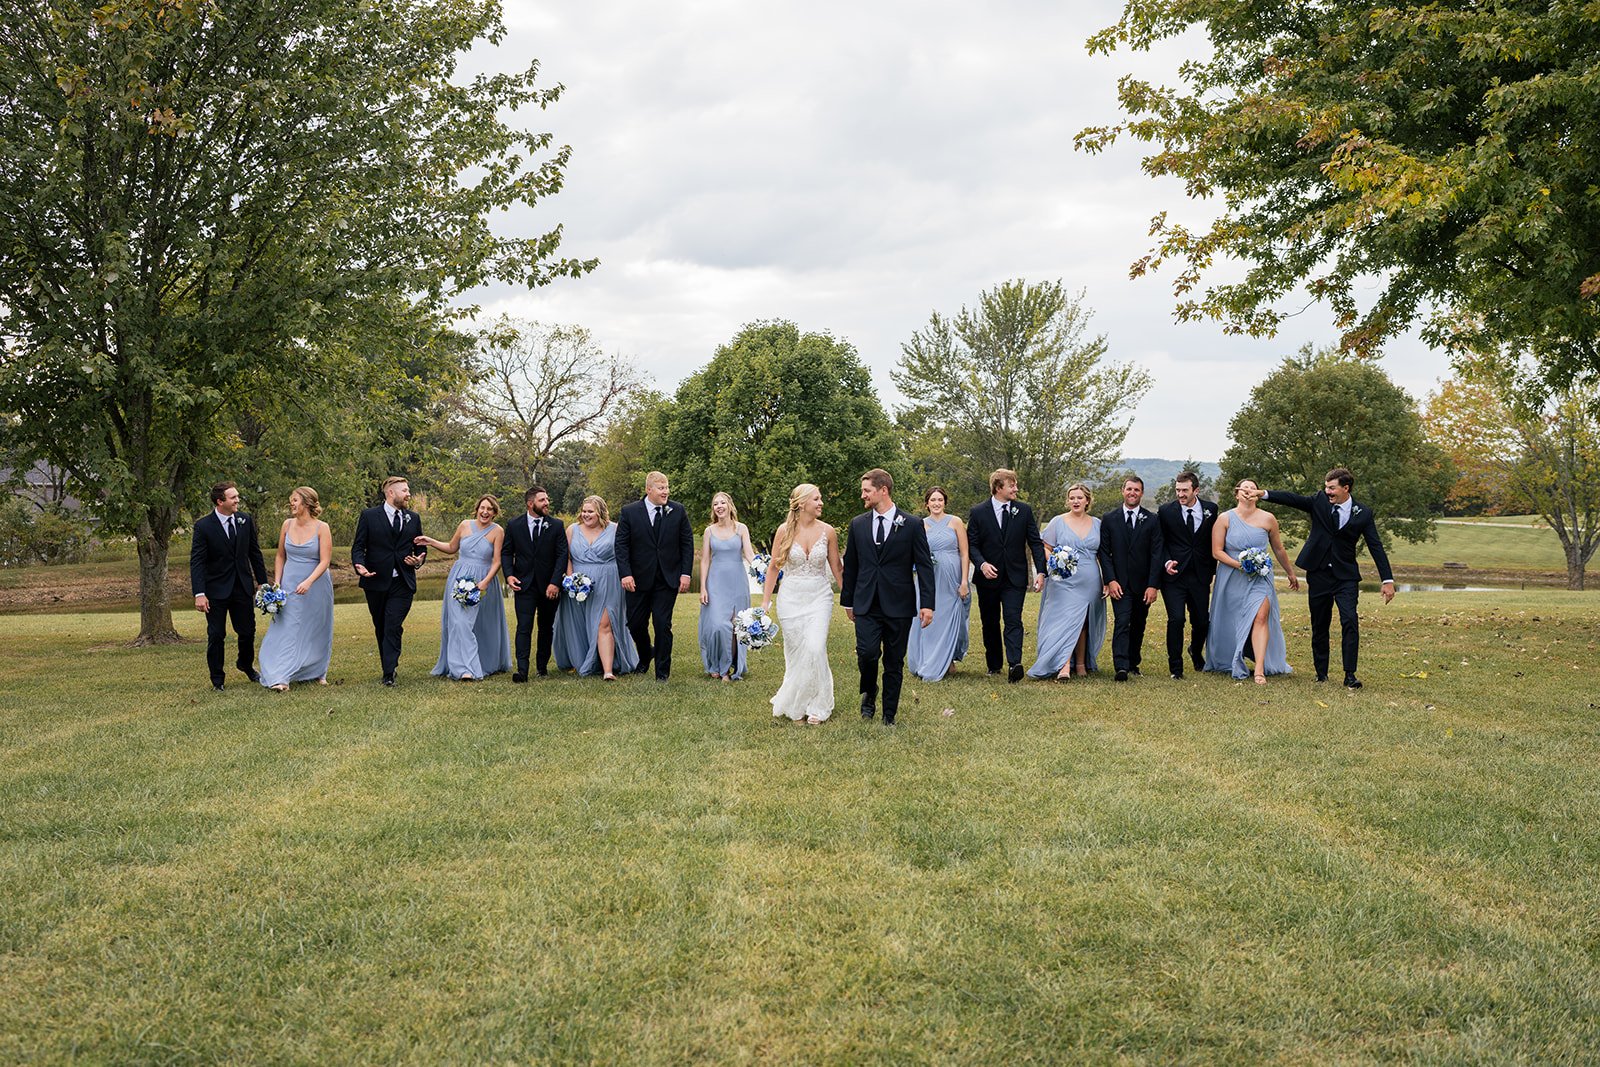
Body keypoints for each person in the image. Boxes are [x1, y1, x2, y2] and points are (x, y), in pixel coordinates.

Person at [1258, 467, 1395, 688]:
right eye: (1326, 487)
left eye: (1332, 488)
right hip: (1319, 573)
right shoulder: (1319, 501)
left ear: (1346, 488)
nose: (1327, 491)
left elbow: (1376, 546)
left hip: (1346, 576)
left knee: (1349, 620)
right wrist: (1264, 494)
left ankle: (1350, 675)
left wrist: (1387, 580)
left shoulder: (1363, 512)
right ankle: (1321, 673)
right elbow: (1293, 499)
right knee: (1319, 624)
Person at [841, 468, 934, 727]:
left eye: (867, 490)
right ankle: (869, 692)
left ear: (883, 490)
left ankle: (889, 714)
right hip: (866, 602)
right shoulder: (858, 524)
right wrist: (848, 601)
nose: (863, 495)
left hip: (899, 604)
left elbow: (924, 566)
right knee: (867, 654)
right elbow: (852, 565)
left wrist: (927, 604)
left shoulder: (912, 524)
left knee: (894, 661)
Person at [763, 483, 844, 724]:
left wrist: (850, 600)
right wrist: (766, 602)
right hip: (790, 599)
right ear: (801, 504)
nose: (821, 503)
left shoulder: (828, 531)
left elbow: (837, 568)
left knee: (815, 647)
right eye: (816, 499)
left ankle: (819, 705)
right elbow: (773, 567)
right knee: (796, 653)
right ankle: (797, 704)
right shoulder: (784, 530)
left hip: (819, 596)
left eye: (820, 498)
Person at [1206, 479, 1299, 683]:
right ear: (1236, 493)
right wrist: (1240, 565)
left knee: (1261, 616)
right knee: (1233, 619)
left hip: (1260, 577)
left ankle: (1259, 670)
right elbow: (1217, 551)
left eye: (1252, 488)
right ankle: (1233, 657)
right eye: (1244, 487)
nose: (1248, 490)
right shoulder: (1224, 518)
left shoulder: (1268, 519)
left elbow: (1278, 548)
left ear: (1258, 494)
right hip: (1232, 576)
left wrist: (1290, 572)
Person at [417, 494, 512, 681]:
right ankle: (464, 669)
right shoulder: (464, 525)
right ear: (477, 509)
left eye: (489, 509)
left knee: (482, 624)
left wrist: (485, 581)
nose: (485, 512)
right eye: (482, 508)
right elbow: (452, 547)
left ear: (494, 513)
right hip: (459, 579)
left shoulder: (497, 531)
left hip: (483, 581)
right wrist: (431, 541)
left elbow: (497, 561)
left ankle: (485, 662)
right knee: (459, 622)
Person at [966, 468, 1046, 683]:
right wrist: (982, 564)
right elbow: (972, 544)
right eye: (1012, 485)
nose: (1016, 489)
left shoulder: (1024, 510)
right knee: (990, 621)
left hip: (1015, 577)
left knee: (1013, 619)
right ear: (998, 487)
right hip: (987, 578)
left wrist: (1041, 571)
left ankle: (1014, 664)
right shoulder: (978, 512)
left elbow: (1035, 543)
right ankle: (994, 665)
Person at [615, 471, 694, 681]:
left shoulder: (678, 510)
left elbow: (687, 543)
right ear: (648, 489)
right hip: (637, 579)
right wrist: (626, 574)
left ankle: (662, 673)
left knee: (662, 624)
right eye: (661, 488)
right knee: (635, 623)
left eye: (667, 487)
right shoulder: (629, 512)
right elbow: (621, 546)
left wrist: (685, 573)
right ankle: (645, 653)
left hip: (667, 579)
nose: (666, 491)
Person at [190, 481, 268, 691]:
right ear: (220, 501)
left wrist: (262, 583)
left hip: (242, 586)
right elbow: (197, 562)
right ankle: (218, 679)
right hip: (215, 590)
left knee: (247, 631)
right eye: (233, 497)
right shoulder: (203, 526)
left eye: (237, 496)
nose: (237, 500)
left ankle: (245, 664)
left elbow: (254, 553)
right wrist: (199, 593)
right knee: (216, 634)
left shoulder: (245, 520)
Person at [350, 476, 427, 687]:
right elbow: (358, 547)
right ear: (391, 493)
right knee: (381, 626)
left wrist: (419, 560)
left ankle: (388, 672)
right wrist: (359, 565)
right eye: (405, 490)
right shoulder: (368, 516)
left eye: (408, 490)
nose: (409, 494)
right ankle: (389, 665)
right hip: (375, 580)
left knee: (393, 624)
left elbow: (420, 547)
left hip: (403, 582)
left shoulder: (413, 518)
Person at [553, 495, 639, 679]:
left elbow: (625, 554)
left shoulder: (615, 529)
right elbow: (566, 557)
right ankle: (590, 660)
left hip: (608, 581)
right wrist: (571, 580)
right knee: (582, 623)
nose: (586, 514)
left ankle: (608, 670)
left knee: (604, 623)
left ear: (600, 512)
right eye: (584, 511)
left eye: (590, 511)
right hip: (578, 583)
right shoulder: (572, 530)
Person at [1028, 484, 1108, 680]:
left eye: (1080, 498)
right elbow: (1045, 547)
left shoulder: (1097, 523)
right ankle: (1063, 665)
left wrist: (1107, 580)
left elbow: (1103, 555)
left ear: (1087, 500)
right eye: (1072, 498)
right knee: (1065, 621)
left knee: (1083, 622)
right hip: (1063, 580)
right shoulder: (1058, 522)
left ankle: (1080, 664)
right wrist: (1055, 560)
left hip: (1089, 580)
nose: (1075, 501)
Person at [258, 486, 334, 690]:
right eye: (291, 500)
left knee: (317, 627)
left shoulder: (322, 528)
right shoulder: (287, 524)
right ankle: (281, 675)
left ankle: (317, 671)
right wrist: (277, 582)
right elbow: (280, 556)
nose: (291, 503)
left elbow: (325, 561)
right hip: (289, 583)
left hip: (316, 584)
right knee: (286, 627)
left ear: (307, 503)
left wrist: (309, 581)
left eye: (295, 500)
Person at [1097, 475, 1164, 682]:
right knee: (1122, 621)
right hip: (1119, 583)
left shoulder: (1152, 519)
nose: (1132, 493)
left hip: (1143, 584)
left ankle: (1133, 663)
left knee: (1138, 623)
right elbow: (1104, 552)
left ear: (1141, 493)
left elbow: (1157, 554)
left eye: (1136, 490)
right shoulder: (1109, 518)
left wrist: (1153, 585)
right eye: (1129, 489)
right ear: (1122, 491)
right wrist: (1110, 580)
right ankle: (1121, 666)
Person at [502, 485, 568, 681]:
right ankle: (522, 671)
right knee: (524, 626)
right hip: (524, 585)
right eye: (542, 500)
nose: (547, 503)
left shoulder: (556, 525)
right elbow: (507, 552)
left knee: (546, 627)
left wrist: (555, 582)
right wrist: (509, 575)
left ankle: (542, 668)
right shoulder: (514, 525)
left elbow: (562, 555)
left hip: (549, 586)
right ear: (530, 504)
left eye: (547, 499)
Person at [1157, 472, 1219, 679]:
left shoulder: (1211, 509)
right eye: (1178, 490)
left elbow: (1213, 540)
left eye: (1185, 490)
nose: (1180, 494)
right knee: (1176, 619)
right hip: (1174, 576)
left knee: (1201, 621)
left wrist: (1212, 569)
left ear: (1196, 490)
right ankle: (1176, 668)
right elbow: (1159, 542)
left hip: (1200, 575)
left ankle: (1195, 650)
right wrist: (1167, 562)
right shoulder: (1165, 511)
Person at [906, 486, 971, 682]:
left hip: (952, 578)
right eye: (933, 500)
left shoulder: (956, 522)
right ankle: (928, 660)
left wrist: (964, 581)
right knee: (931, 619)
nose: (936, 503)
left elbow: (964, 553)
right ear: (927, 504)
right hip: (929, 579)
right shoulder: (920, 525)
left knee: (949, 618)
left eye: (940, 500)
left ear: (945, 502)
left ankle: (948, 658)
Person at [697, 492, 756, 681]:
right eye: (715, 504)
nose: (719, 506)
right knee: (718, 625)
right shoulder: (709, 531)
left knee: (735, 627)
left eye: (722, 502)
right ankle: (716, 663)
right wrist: (703, 587)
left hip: (737, 582)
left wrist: (762, 568)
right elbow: (705, 560)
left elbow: (749, 554)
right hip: (715, 582)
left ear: (730, 505)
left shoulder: (741, 528)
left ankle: (727, 670)